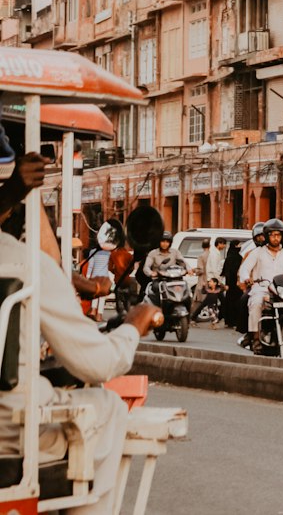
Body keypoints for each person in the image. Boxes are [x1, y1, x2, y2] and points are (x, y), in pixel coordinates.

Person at [0, 128, 163, 515]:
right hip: (9, 433)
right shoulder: (25, 263)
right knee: (105, 406)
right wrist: (134, 325)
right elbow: (98, 364)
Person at [238, 219, 283, 353]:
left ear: (282, 236)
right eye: (272, 235)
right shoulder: (258, 252)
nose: (275, 238)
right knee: (256, 303)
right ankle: (256, 338)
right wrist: (246, 278)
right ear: (266, 236)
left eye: (278, 235)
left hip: (282, 289)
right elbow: (245, 268)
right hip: (262, 289)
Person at [191, 236, 225, 322]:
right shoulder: (214, 253)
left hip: (211, 280)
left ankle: (218, 317)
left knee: (209, 300)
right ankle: (217, 317)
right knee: (213, 300)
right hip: (213, 280)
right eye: (224, 244)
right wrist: (219, 281)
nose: (225, 246)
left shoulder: (210, 253)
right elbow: (214, 268)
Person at [221, 238, 244, 329]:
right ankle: (235, 321)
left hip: (230, 283)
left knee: (229, 301)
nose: (240, 247)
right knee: (237, 301)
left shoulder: (229, 257)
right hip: (236, 283)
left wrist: (227, 284)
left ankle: (229, 321)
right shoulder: (238, 257)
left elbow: (226, 272)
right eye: (238, 245)